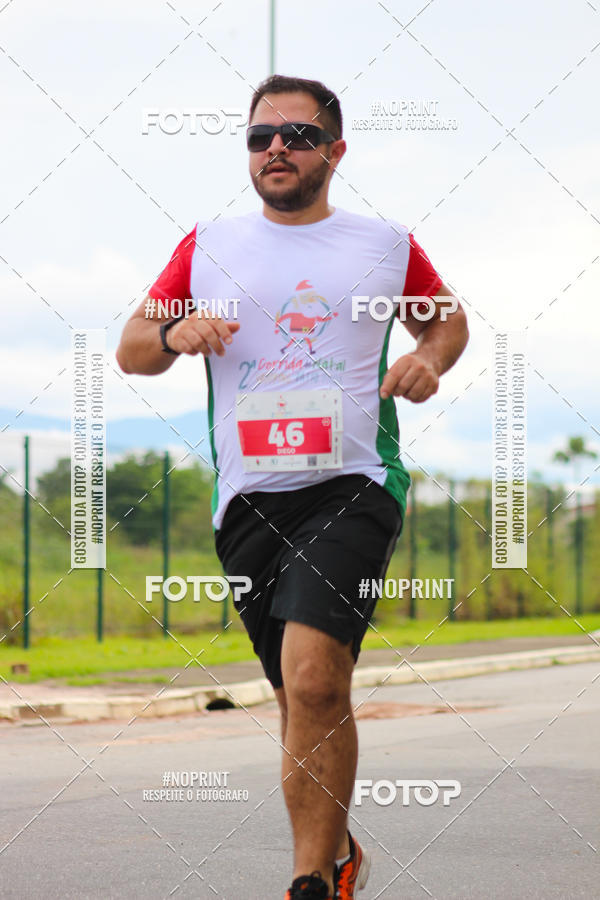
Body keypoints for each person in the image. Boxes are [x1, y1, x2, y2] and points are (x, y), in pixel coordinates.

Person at [117, 74, 469, 900]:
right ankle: (340, 849)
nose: (276, 148)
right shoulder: (207, 244)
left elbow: (445, 318)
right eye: (259, 137)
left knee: (316, 680)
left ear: (334, 152)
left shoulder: (383, 243)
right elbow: (134, 347)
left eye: (298, 136)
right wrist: (175, 329)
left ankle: (312, 882)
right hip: (248, 500)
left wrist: (427, 359)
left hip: (353, 482)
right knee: (294, 698)